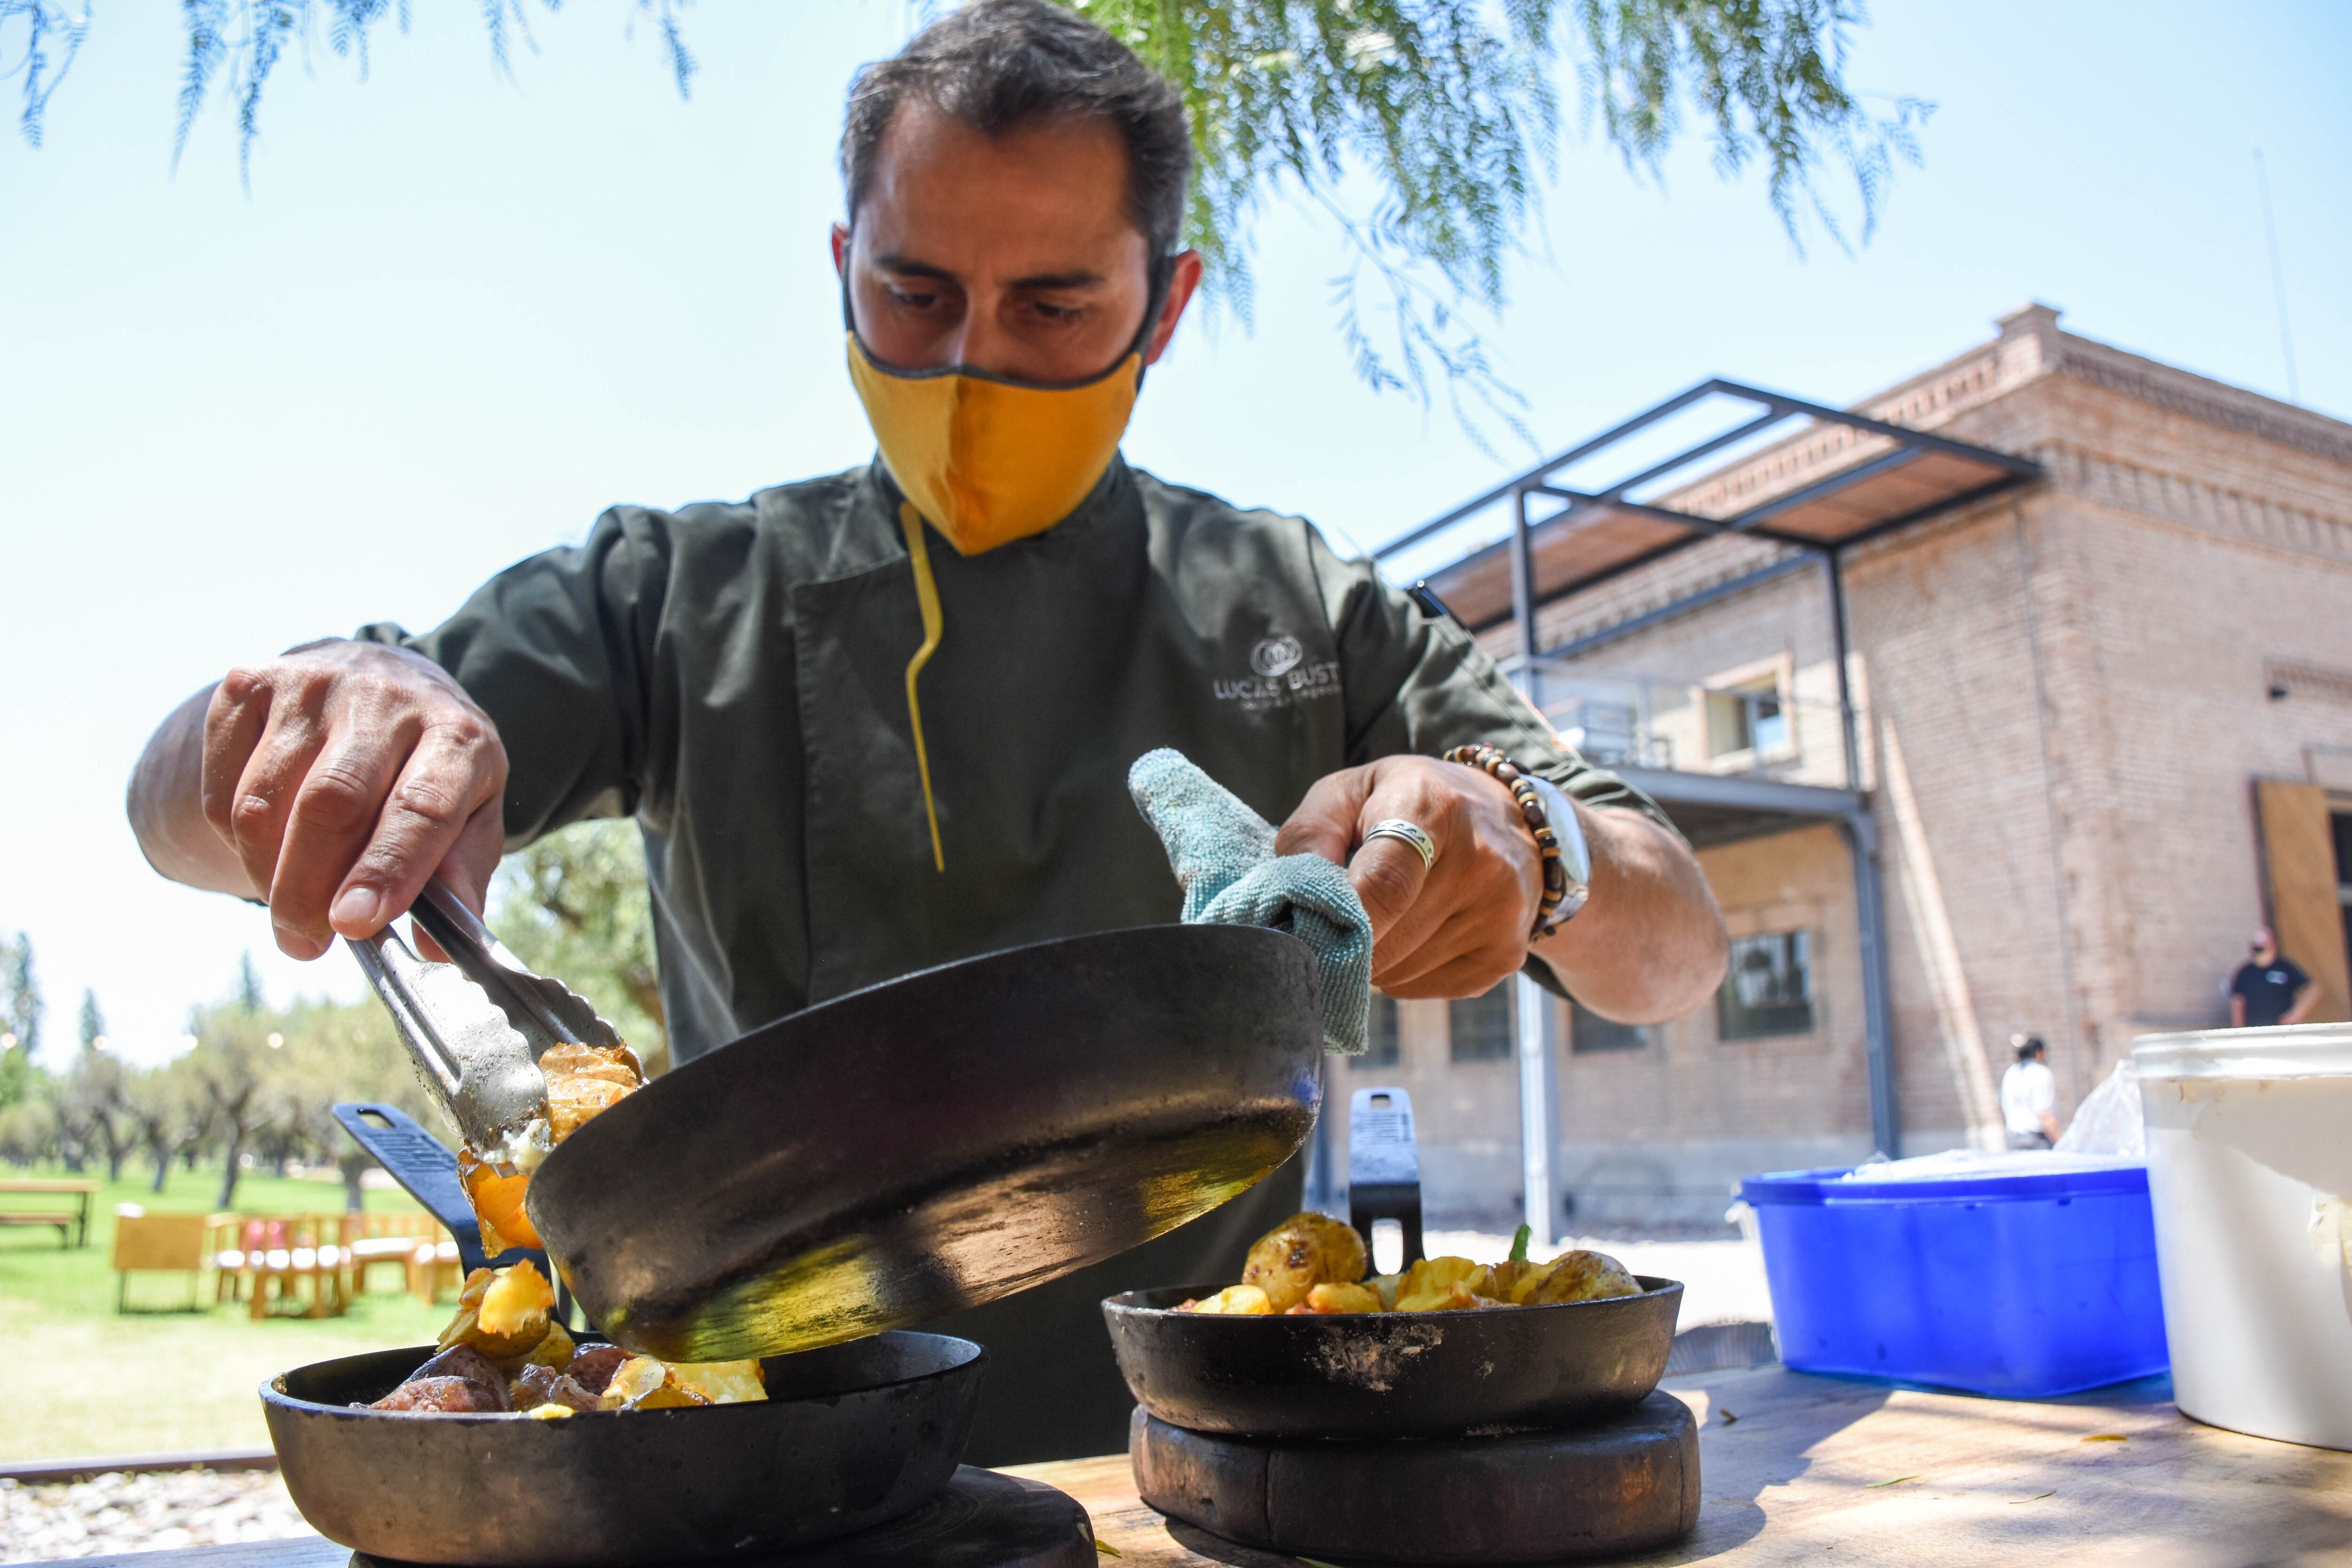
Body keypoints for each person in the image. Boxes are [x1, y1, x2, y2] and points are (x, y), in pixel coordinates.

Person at [125, 0, 1727, 1463]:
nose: (970, 366)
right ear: (841, 267)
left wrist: (1538, 848)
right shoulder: (677, 594)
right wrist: (307, 710)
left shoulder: (1294, 599)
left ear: (1163, 304)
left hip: (1228, 1466)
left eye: (1050, 304)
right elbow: (169, 809)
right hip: (766, 1468)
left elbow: (1681, 943)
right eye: (914, 292)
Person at [2229, 927, 2317, 1028]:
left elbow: (2313, 989)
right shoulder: (2245, 972)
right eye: (2256, 947)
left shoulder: (2285, 968)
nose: (2259, 950)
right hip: (2254, 1031)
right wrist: (2239, 1031)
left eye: (2263, 947)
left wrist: (2297, 1014)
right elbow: (2238, 1003)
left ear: (2273, 946)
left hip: (2282, 1029)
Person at [2000, 1035, 2059, 1151]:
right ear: (2039, 1053)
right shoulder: (2041, 1073)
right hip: (2037, 1140)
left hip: (2013, 1139)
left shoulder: (2011, 1073)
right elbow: (2044, 1113)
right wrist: (2060, 1141)